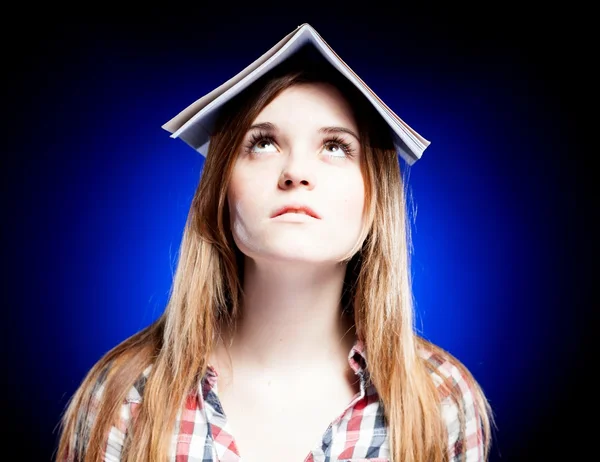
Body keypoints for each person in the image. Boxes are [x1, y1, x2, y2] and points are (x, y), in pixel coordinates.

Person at [56, 24, 493, 462]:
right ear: (220, 193)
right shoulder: (125, 396)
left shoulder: (440, 400)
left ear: (375, 200)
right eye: (263, 143)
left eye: (337, 147)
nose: (296, 172)